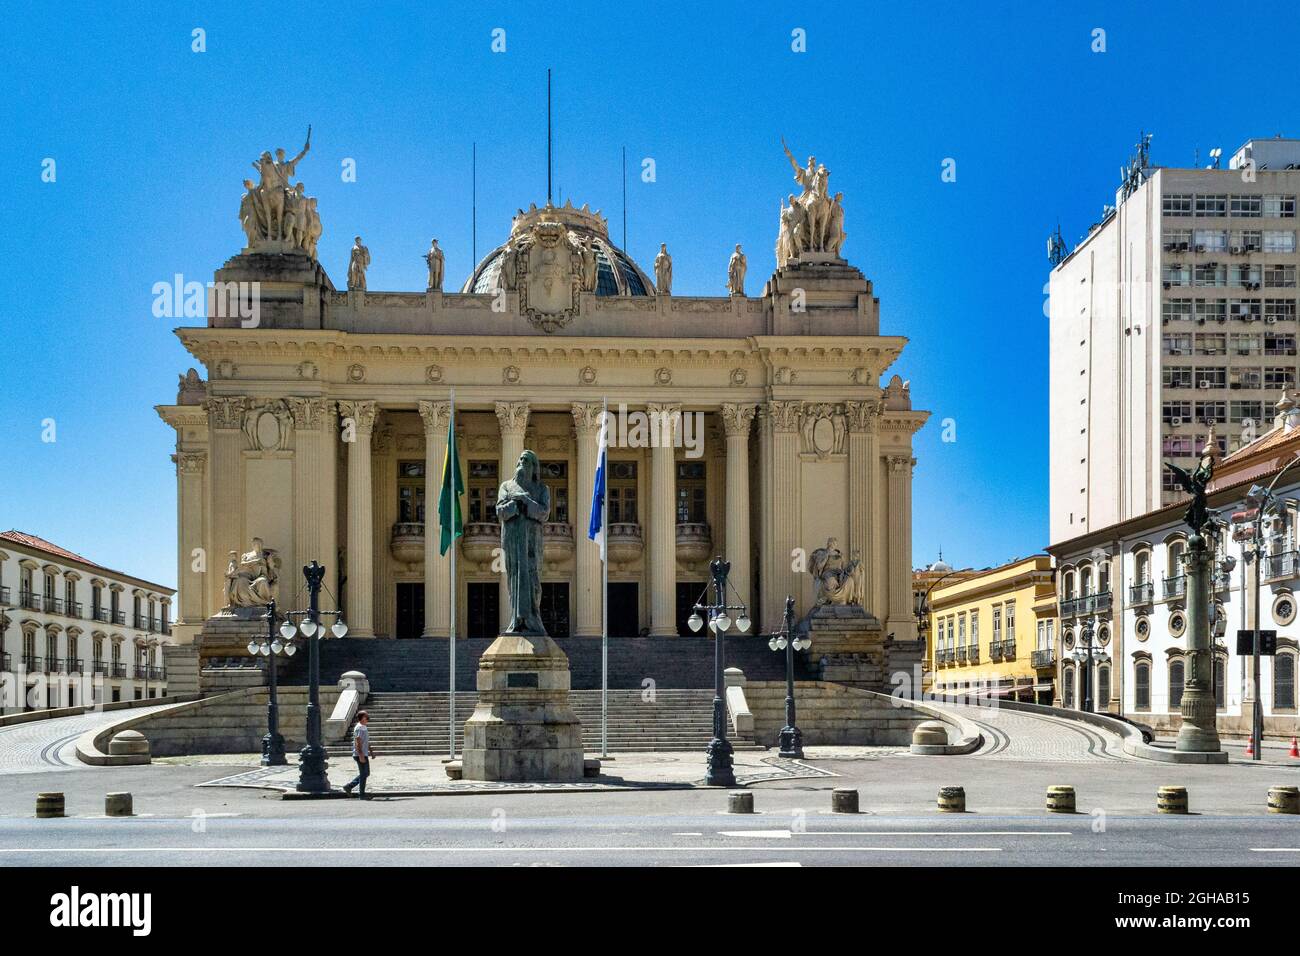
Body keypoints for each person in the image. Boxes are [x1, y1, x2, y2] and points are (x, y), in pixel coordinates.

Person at [343, 710, 373, 799]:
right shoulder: (359, 728)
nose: (368, 718)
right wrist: (361, 755)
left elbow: (365, 741)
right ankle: (361, 794)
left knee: (365, 773)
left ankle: (350, 786)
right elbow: (358, 742)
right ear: (363, 718)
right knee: (365, 773)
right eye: (366, 716)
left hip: (363, 754)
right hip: (360, 754)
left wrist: (371, 751)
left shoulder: (363, 727)